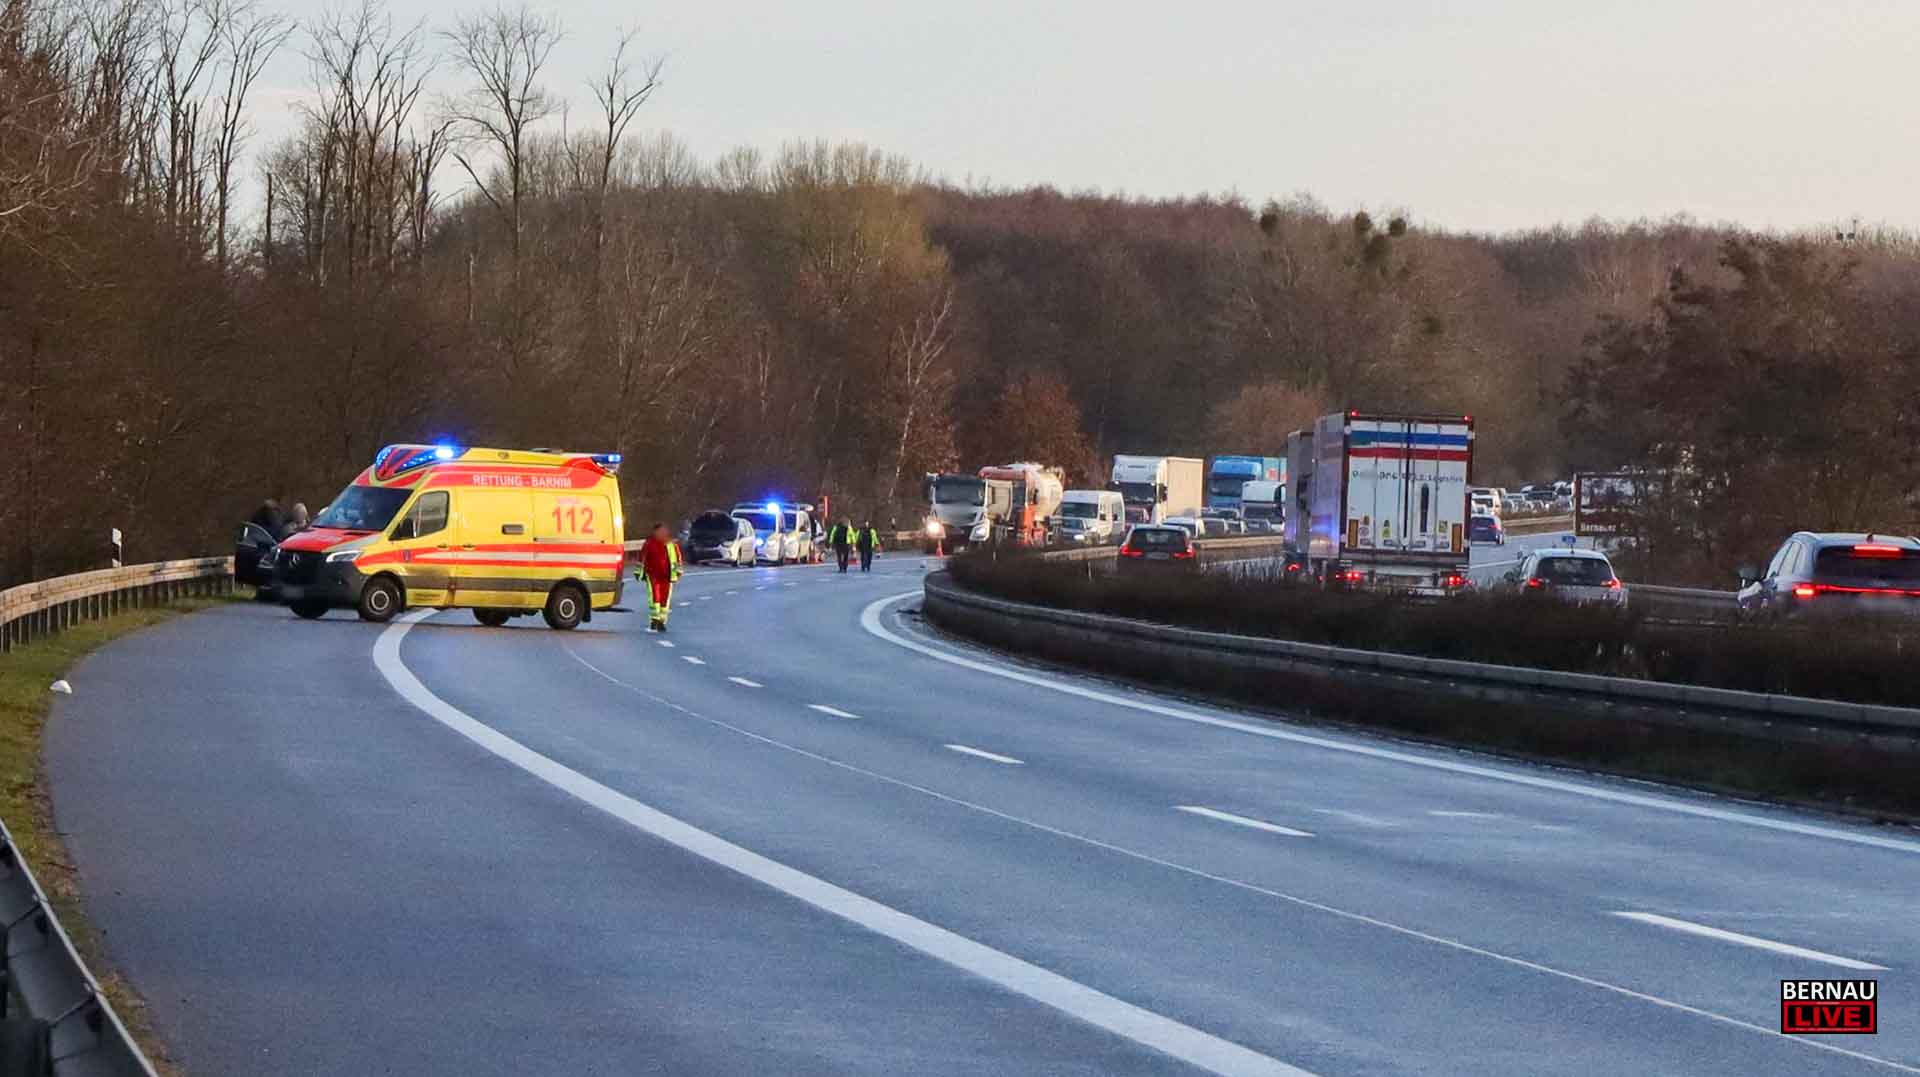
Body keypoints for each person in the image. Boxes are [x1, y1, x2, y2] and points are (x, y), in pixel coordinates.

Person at [636, 522, 684, 632]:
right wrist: (638, 572)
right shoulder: (649, 543)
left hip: (667, 576)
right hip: (652, 575)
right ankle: (654, 620)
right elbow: (642, 557)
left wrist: (678, 571)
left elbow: (677, 558)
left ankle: (662, 621)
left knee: (665, 599)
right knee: (654, 597)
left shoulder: (671, 544)